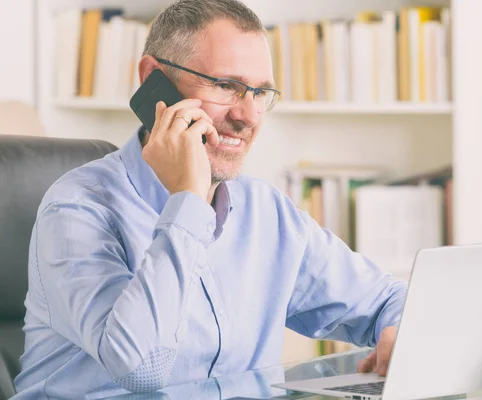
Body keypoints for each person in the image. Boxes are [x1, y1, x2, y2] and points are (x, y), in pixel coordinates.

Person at [14, 0, 408, 398]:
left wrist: (398, 328)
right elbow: (141, 368)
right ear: (154, 80)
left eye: (261, 92)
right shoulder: (77, 209)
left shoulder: (265, 212)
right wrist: (188, 201)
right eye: (225, 86)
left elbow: (387, 300)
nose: (248, 116)